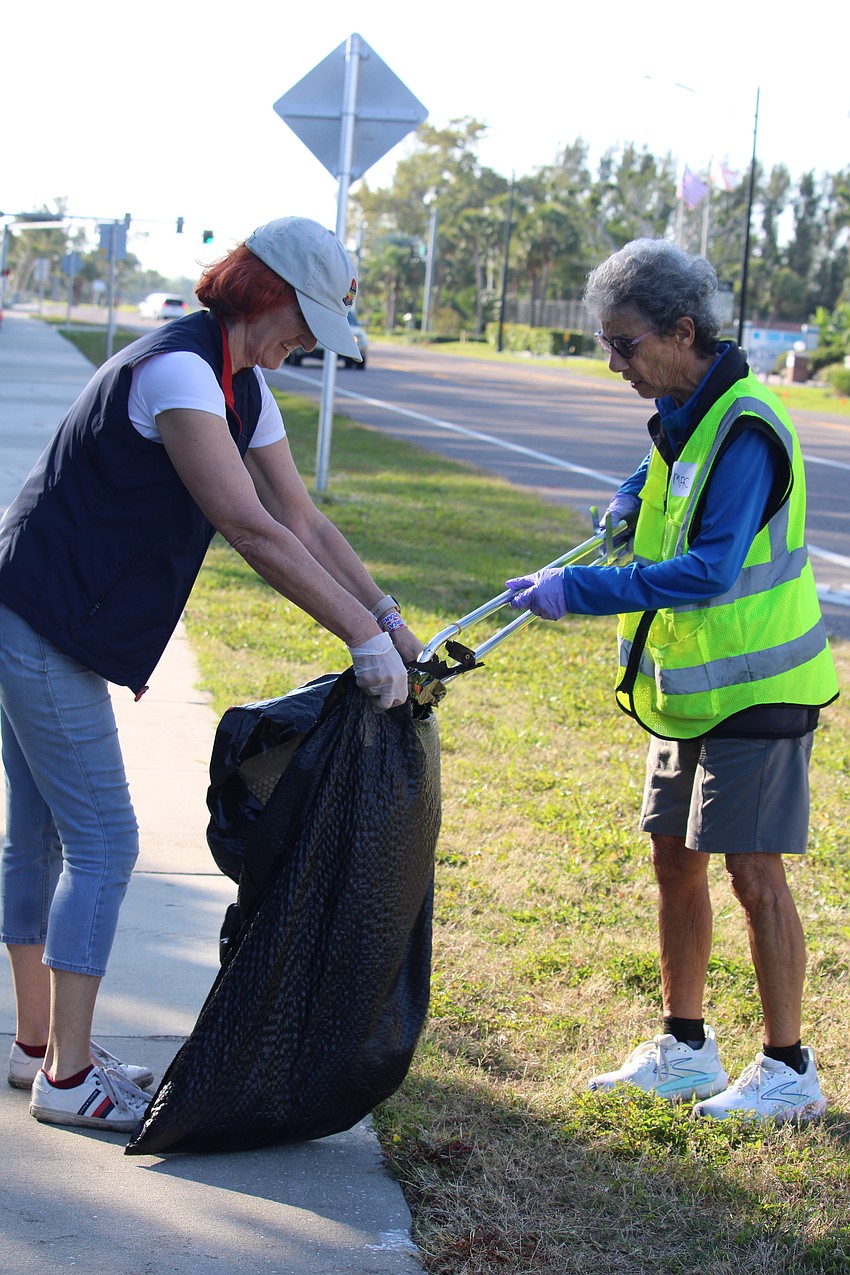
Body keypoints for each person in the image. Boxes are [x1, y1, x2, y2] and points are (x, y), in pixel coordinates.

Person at [0, 216, 422, 1132]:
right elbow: (249, 524)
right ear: (263, 292)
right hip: (37, 618)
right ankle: (67, 1078)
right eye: (304, 321)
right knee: (104, 842)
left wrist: (386, 614)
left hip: (49, 611)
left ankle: (38, 1048)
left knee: (38, 838)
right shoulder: (180, 372)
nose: (307, 343)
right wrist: (358, 638)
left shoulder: (242, 384)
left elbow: (303, 521)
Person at [506, 238, 839, 1122]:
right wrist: (627, 493)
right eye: (607, 346)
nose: (616, 363)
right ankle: (686, 1048)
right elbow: (672, 484)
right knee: (674, 858)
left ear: (683, 330)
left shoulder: (747, 422)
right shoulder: (688, 408)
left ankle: (790, 1067)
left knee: (753, 872)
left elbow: (709, 569)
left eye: (626, 345)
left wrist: (579, 590)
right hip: (692, 690)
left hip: (759, 688)